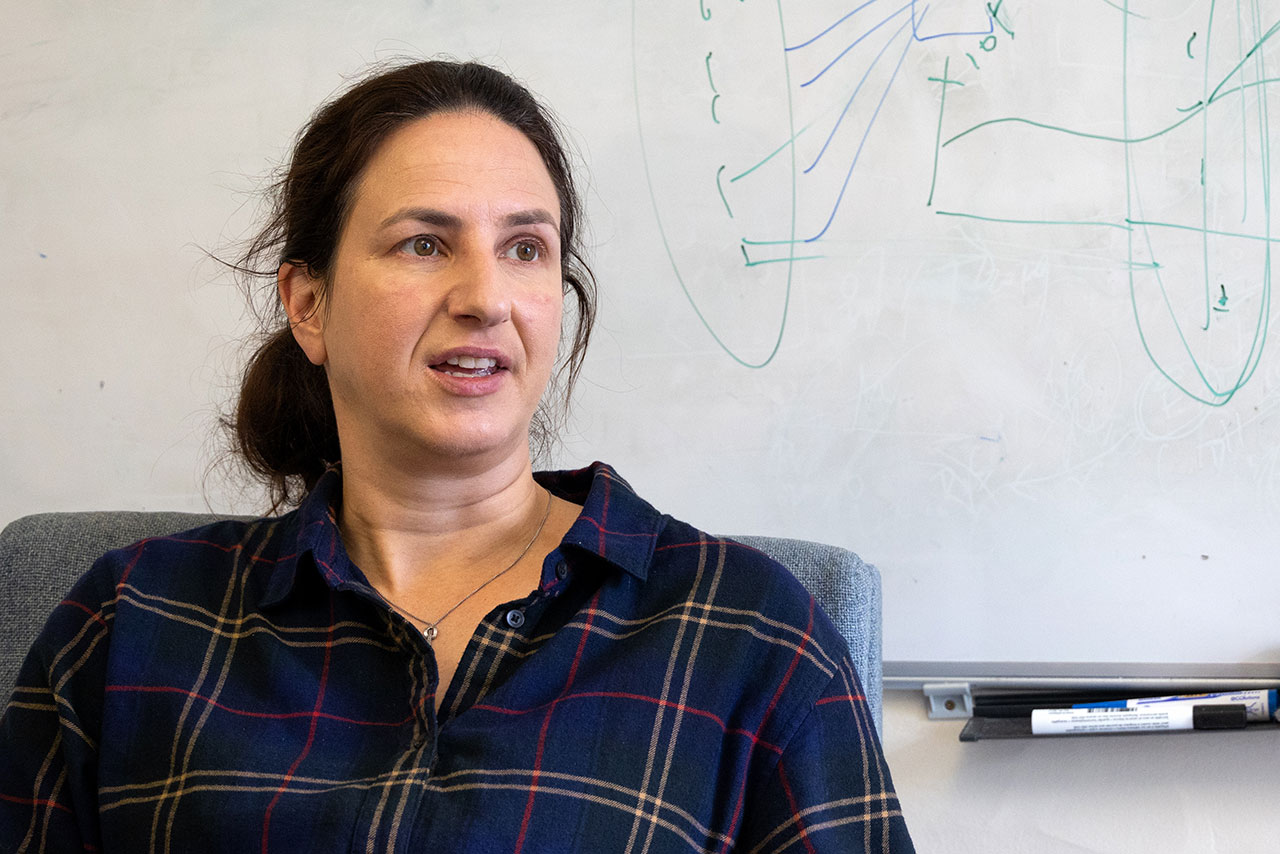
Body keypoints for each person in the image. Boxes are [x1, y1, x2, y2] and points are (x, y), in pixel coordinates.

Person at [0, 60, 914, 852]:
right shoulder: (133, 619)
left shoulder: (751, 634)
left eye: (525, 248)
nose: (486, 297)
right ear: (308, 305)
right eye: (425, 243)